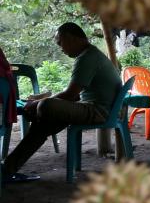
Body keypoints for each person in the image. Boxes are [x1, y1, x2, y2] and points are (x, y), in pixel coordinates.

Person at [2, 22, 122, 183]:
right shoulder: (90, 55)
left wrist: (39, 103)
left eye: (60, 43)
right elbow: (73, 95)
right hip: (97, 108)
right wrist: (38, 102)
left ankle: (7, 169)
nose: (61, 48)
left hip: (98, 111)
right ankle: (7, 170)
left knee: (46, 107)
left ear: (70, 38)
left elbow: (70, 94)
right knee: (41, 124)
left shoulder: (87, 57)